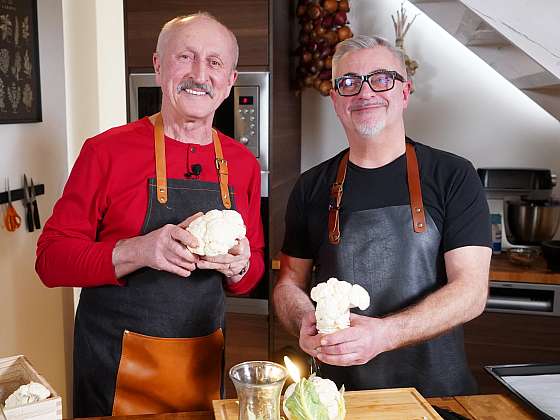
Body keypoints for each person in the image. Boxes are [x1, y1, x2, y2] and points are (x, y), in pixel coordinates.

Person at [36, 13, 264, 417]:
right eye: (185, 57)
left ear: (230, 80)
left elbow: (252, 275)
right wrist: (138, 251)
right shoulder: (106, 152)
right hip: (113, 369)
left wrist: (240, 268)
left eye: (214, 62)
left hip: (201, 365)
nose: (199, 73)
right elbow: (50, 260)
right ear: (159, 66)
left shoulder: (242, 163)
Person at [273, 35, 491, 397]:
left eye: (381, 78)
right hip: (339, 397)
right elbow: (288, 284)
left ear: (404, 93)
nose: (365, 92)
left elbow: (471, 291)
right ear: (336, 101)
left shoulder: (453, 175)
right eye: (348, 82)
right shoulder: (311, 186)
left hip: (436, 395)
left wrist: (383, 335)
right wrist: (302, 321)